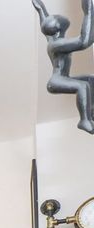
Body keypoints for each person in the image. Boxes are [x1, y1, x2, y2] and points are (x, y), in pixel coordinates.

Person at [34, 0, 94, 133]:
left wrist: (40, 8)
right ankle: (84, 121)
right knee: (82, 86)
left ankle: (91, 111)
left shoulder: (52, 40)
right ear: (58, 29)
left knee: (90, 79)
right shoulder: (57, 44)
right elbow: (84, 41)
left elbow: (44, 23)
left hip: (62, 78)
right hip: (56, 81)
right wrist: (89, 10)